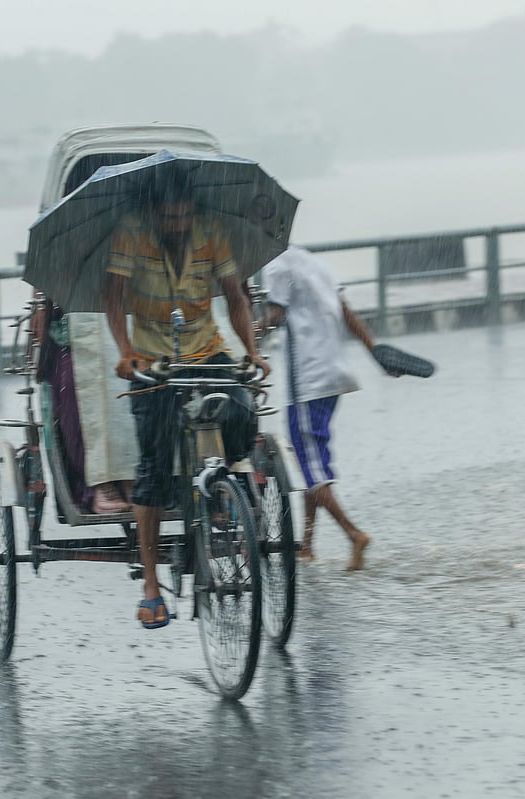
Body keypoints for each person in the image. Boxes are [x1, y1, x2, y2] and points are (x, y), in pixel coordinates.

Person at [104, 167, 270, 629]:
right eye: (168, 218)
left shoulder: (211, 231)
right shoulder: (131, 232)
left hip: (207, 346)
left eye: (183, 216)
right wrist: (125, 350)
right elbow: (113, 296)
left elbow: (235, 295)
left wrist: (252, 351)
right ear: (154, 213)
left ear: (193, 210)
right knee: (154, 468)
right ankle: (152, 585)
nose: (177, 225)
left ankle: (225, 489)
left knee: (242, 409)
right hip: (152, 357)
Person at [261, 245, 391, 571]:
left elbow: (275, 316)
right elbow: (347, 313)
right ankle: (306, 545)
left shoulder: (275, 266)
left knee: (310, 466)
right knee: (313, 460)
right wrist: (375, 351)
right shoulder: (316, 263)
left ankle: (354, 534)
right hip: (334, 375)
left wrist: (246, 336)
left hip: (307, 379)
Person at [29, 292, 132, 514]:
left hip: (125, 337)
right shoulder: (61, 265)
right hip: (72, 345)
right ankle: (99, 484)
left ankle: (131, 476)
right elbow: (40, 317)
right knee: (78, 384)